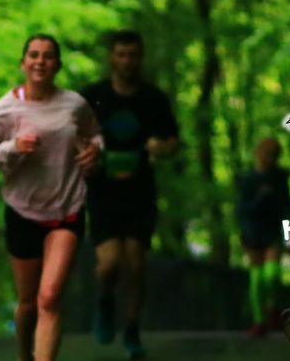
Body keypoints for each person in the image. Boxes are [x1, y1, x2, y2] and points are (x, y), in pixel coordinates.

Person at [0, 34, 102, 361]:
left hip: (67, 209)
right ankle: (23, 355)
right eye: (34, 55)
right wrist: (12, 147)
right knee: (28, 302)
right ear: (23, 63)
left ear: (56, 64)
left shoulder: (75, 103)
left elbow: (95, 134)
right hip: (23, 212)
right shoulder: (6, 108)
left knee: (50, 298)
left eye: (47, 56)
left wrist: (95, 150)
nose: (40, 61)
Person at [79, 30, 178, 359]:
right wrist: (86, 153)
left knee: (136, 262)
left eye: (133, 55)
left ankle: (133, 328)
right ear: (112, 57)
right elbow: (70, 136)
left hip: (140, 192)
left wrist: (160, 147)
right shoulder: (93, 96)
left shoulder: (154, 99)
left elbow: (173, 142)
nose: (127, 61)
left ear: (141, 57)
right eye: (121, 54)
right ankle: (106, 300)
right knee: (109, 264)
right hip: (103, 191)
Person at [235, 138, 290, 338]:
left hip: (273, 231)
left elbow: (288, 203)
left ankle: (272, 308)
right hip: (252, 231)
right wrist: (261, 198)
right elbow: (242, 211)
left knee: (272, 274)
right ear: (258, 154)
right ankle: (259, 321)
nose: (269, 158)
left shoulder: (280, 177)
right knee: (256, 277)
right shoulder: (247, 179)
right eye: (267, 153)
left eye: (274, 155)